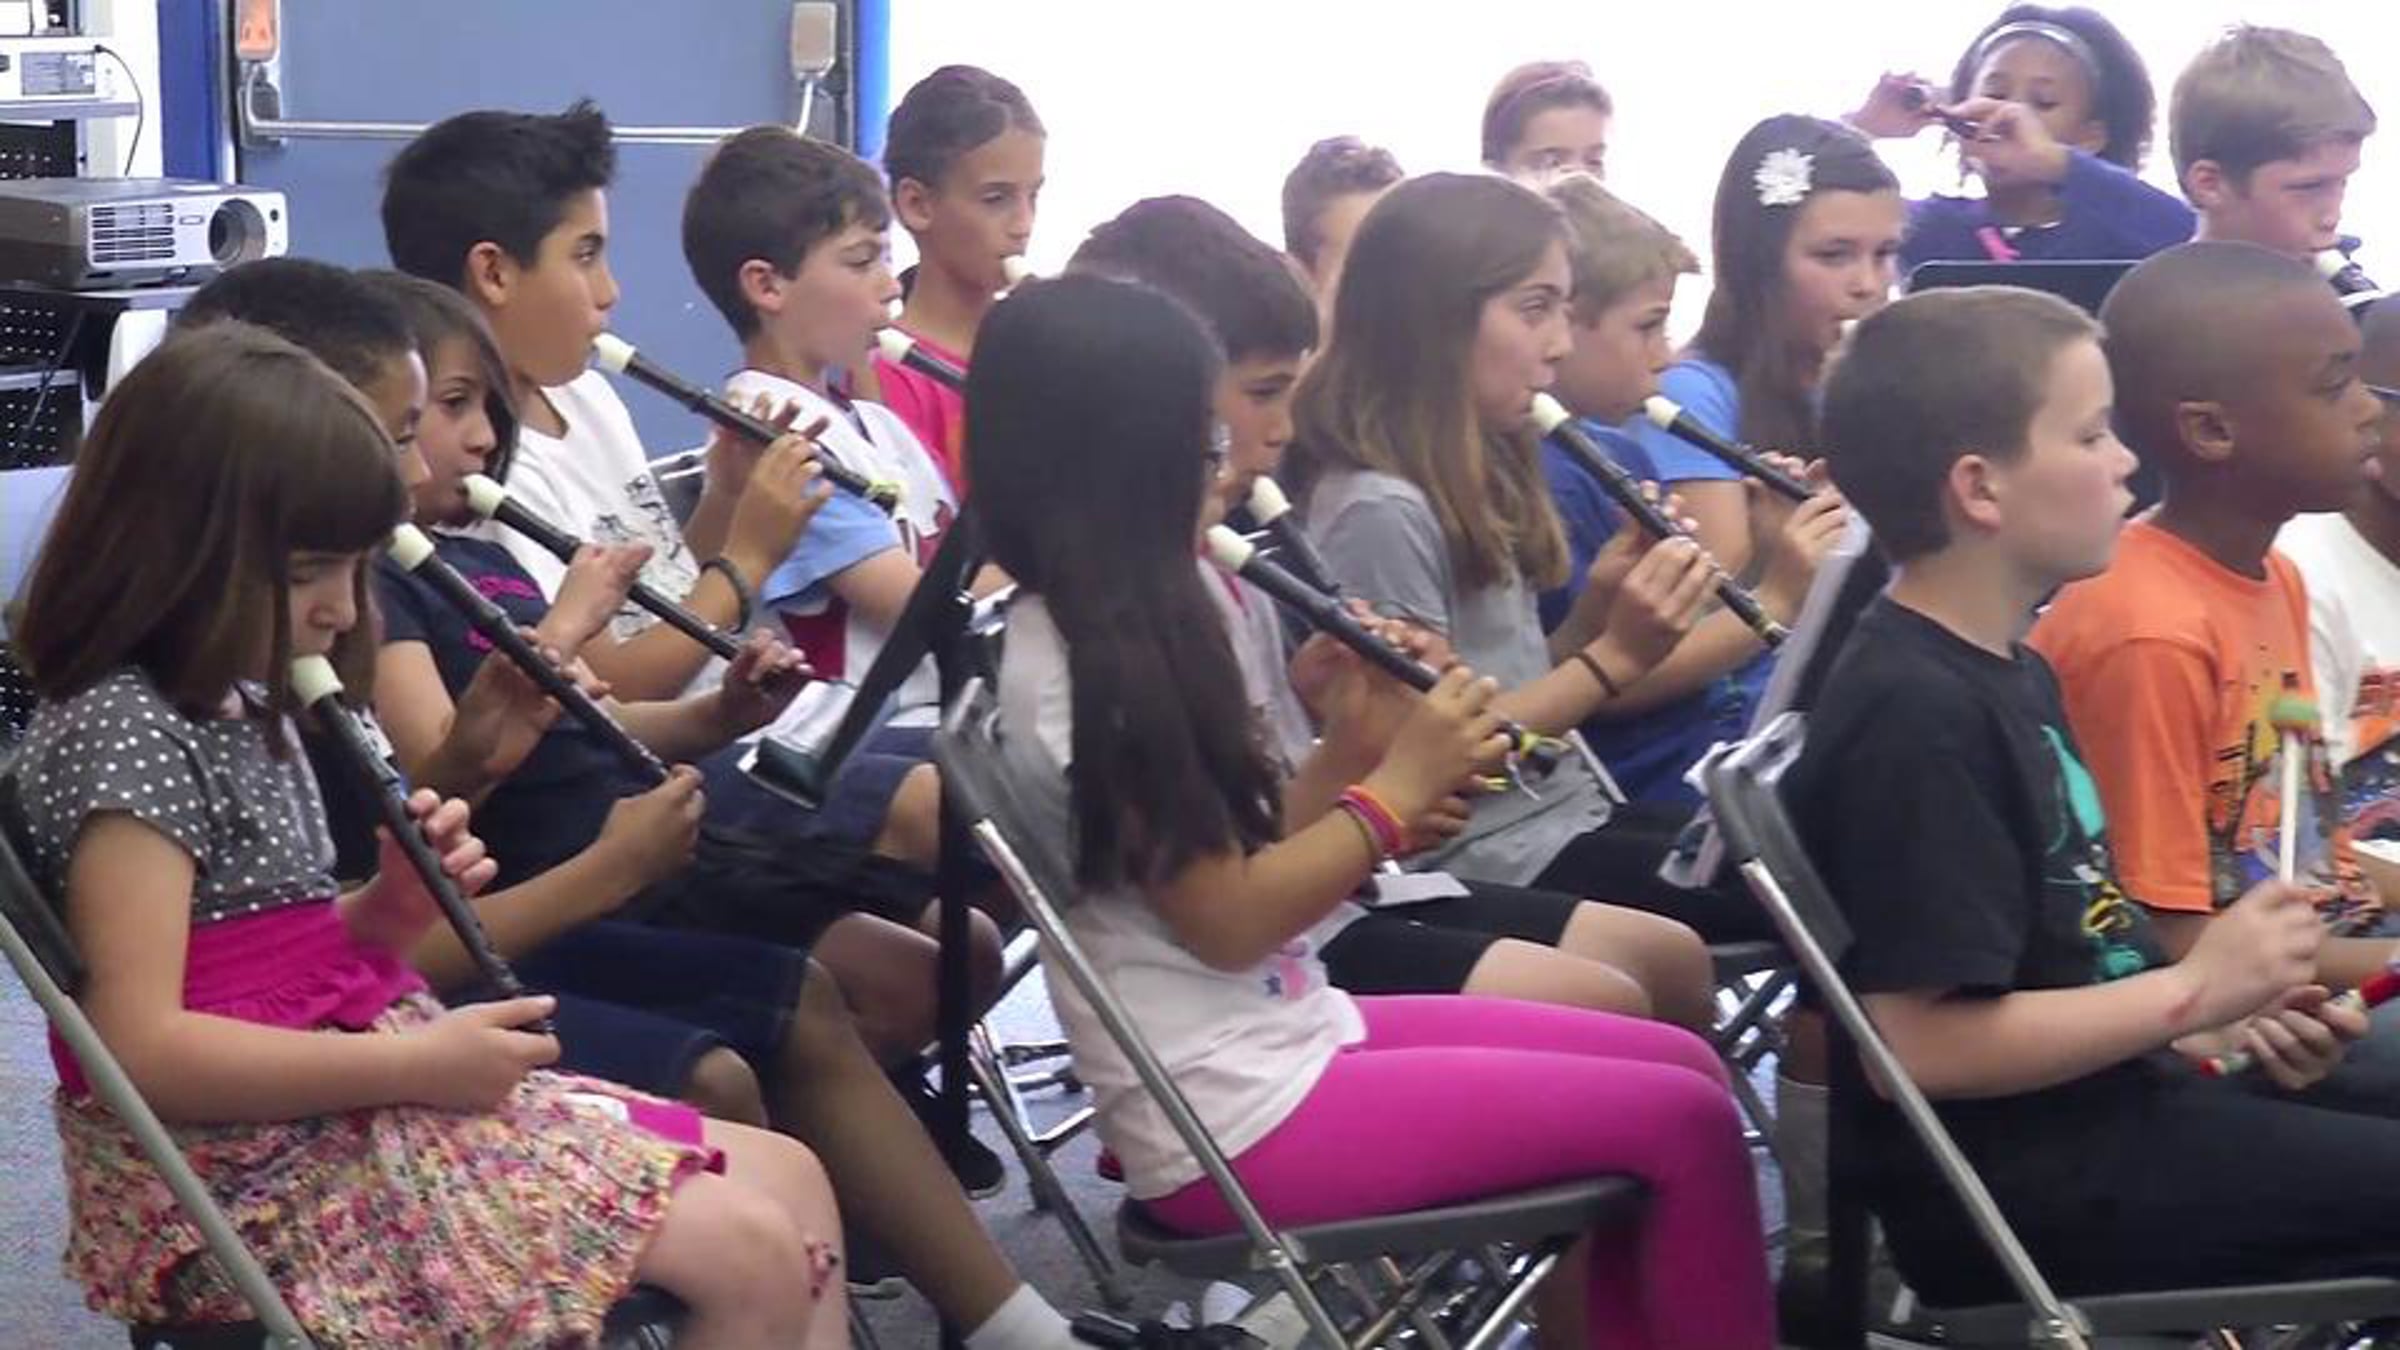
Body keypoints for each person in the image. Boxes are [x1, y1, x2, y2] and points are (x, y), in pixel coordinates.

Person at [7, 322, 842, 1347]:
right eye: (311, 571)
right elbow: (142, 1048)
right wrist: (416, 1066)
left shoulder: (244, 696)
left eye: (356, 570)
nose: (341, 611)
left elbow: (265, 952)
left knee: (792, 1178)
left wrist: (383, 910)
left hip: (325, 1113)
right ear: (173, 548)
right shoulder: (124, 733)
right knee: (751, 1254)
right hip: (245, 1180)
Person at [981, 271, 1773, 1349]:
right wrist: (1392, 792)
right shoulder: (1092, 673)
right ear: (1123, 466)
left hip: (1280, 1036)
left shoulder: (1151, 608)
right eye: (1200, 445)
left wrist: (1356, 739)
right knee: (1685, 1120)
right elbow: (1231, 922)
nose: (1229, 464)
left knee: (1680, 1066)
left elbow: (1250, 851)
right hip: (1232, 1116)